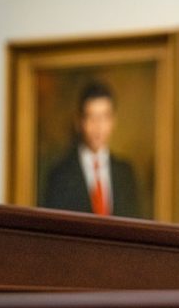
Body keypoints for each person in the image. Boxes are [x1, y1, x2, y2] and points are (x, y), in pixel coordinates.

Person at [42, 81, 140, 218]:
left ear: (113, 121)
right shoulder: (59, 175)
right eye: (91, 117)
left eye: (104, 117)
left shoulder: (125, 173)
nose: (98, 126)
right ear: (79, 122)